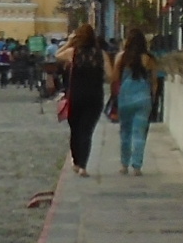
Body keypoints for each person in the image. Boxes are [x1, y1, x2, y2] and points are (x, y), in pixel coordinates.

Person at [62, 23, 107, 178]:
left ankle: (76, 161)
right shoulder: (101, 54)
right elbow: (111, 75)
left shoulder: (72, 52)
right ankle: (83, 166)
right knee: (86, 131)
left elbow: (56, 55)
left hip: (76, 96)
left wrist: (69, 42)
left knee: (75, 130)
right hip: (95, 96)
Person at [110, 29, 157, 174]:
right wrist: (152, 98)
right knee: (140, 133)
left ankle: (124, 165)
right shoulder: (149, 59)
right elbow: (154, 82)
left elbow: (114, 79)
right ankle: (137, 166)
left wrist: (114, 97)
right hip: (143, 98)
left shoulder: (121, 58)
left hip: (125, 98)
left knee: (125, 132)